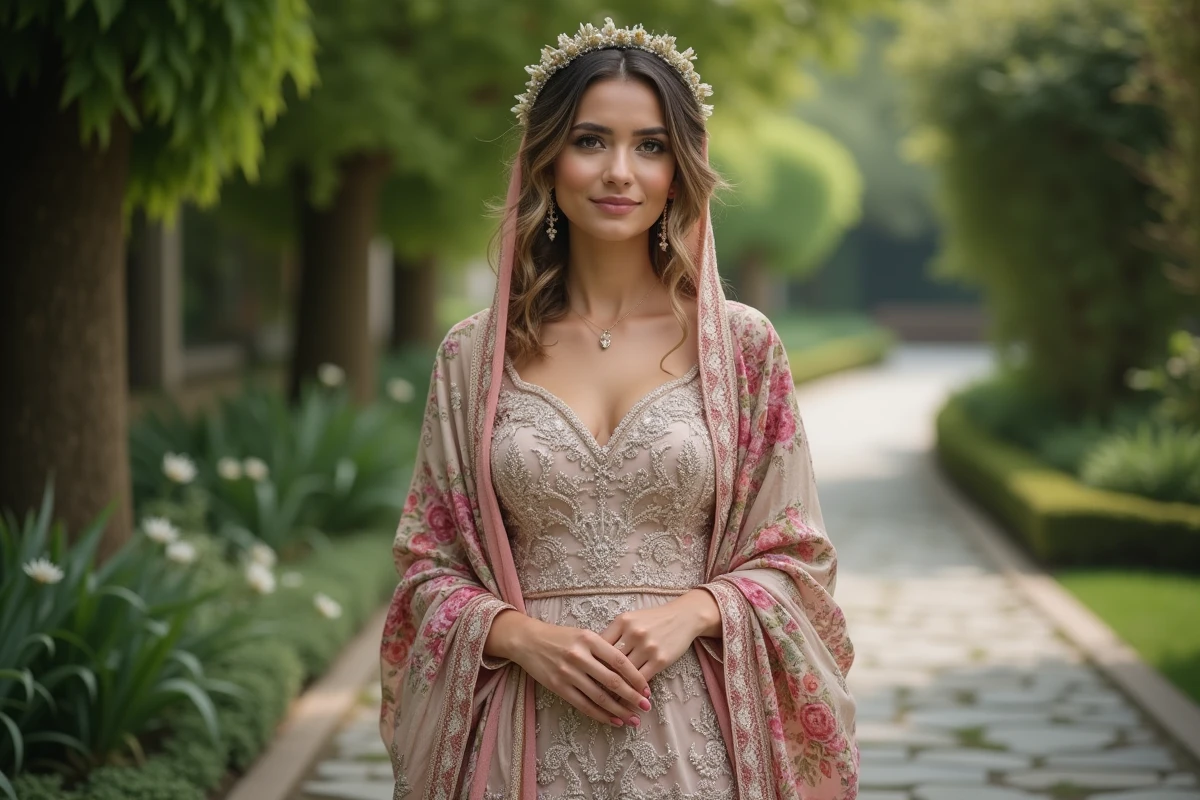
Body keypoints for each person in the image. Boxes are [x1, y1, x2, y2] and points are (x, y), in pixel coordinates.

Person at [379, 18, 858, 800]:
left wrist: (696, 611)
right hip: (521, 741)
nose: (619, 172)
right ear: (547, 159)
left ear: (680, 168)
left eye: (651, 146)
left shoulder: (741, 349)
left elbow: (797, 558)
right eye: (591, 140)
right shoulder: (474, 357)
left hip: (695, 744)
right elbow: (426, 567)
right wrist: (519, 636)